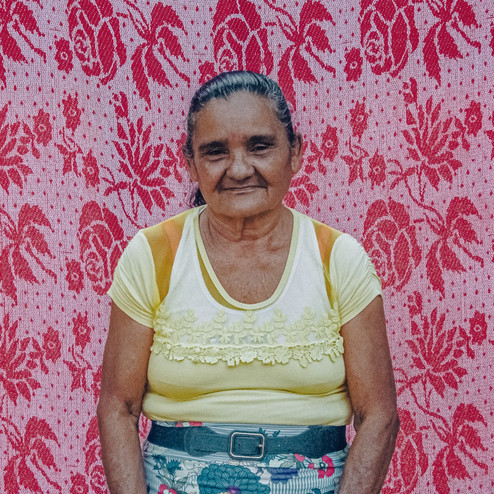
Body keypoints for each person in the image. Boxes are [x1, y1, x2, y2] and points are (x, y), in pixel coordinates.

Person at [97, 71, 399, 494]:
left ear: (295, 153)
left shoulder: (339, 259)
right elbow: (118, 407)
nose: (239, 169)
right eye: (215, 152)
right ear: (190, 163)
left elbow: (379, 415)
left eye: (260, 146)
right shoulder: (152, 255)